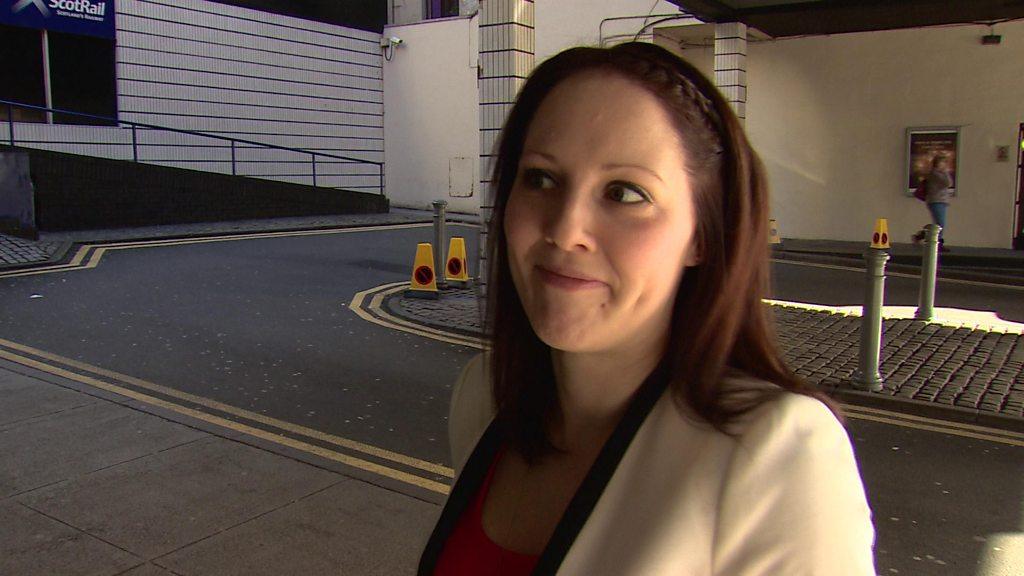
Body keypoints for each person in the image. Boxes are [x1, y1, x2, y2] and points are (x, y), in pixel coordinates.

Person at [418, 42, 875, 575]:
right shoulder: (485, 395)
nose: (565, 229)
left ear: (704, 236)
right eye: (541, 178)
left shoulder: (777, 454)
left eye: (625, 193)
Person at [912, 154, 953, 252]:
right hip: (936, 201)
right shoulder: (935, 174)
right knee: (940, 224)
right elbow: (948, 183)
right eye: (943, 162)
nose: (945, 165)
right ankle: (937, 243)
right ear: (937, 163)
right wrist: (946, 172)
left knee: (938, 224)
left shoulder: (938, 173)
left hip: (940, 201)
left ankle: (921, 236)